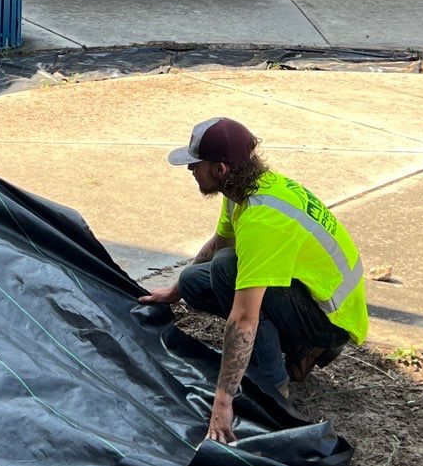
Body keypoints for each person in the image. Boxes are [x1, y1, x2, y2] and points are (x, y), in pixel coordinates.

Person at [140, 116, 367, 441]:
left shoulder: (264, 218)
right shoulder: (243, 190)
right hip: (308, 298)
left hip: (332, 320)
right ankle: (301, 347)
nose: (191, 170)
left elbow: (245, 318)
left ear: (219, 169)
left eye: (196, 164)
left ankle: (273, 390)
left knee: (226, 270)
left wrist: (222, 401)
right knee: (194, 280)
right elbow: (219, 244)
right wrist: (174, 292)